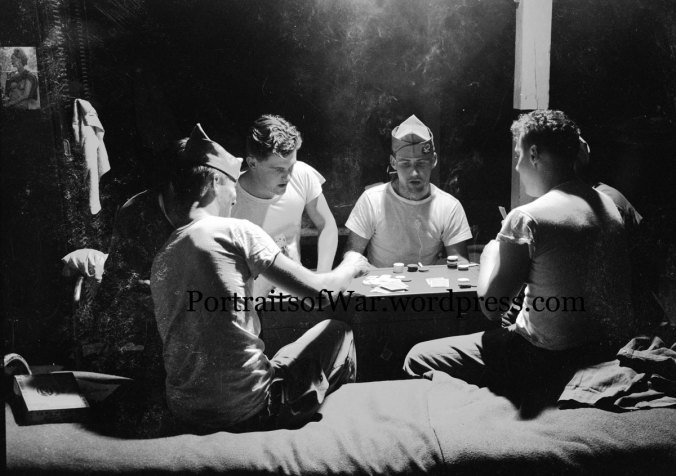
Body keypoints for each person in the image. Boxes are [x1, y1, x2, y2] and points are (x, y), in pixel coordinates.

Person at [150, 124, 369, 433]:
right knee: (338, 331)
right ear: (215, 181)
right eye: (231, 188)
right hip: (252, 409)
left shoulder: (163, 255)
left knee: (279, 355)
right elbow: (321, 294)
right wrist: (350, 264)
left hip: (185, 412)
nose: (234, 199)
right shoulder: (237, 231)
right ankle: (336, 435)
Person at [404, 110, 634, 400]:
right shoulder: (609, 205)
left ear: (534, 154)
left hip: (544, 360)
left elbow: (492, 306)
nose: (517, 167)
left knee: (418, 357)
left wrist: (489, 255)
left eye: (519, 156)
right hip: (600, 353)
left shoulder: (528, 217)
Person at [344, 114, 472, 268]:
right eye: (405, 164)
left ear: (433, 160)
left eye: (421, 163)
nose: (414, 173)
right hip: (380, 281)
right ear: (393, 162)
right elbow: (351, 257)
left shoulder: (449, 206)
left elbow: (460, 263)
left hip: (428, 282)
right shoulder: (371, 200)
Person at [231, 114, 338, 298]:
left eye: (291, 167)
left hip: (294, 295)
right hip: (247, 300)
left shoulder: (302, 174)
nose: (288, 176)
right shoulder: (229, 196)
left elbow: (327, 224)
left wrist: (321, 279)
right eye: (278, 169)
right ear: (252, 163)